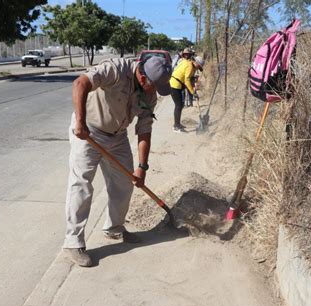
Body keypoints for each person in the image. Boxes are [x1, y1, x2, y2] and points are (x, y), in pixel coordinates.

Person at [63, 56, 172, 267]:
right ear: (143, 76)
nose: (154, 91)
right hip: (89, 131)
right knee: (81, 184)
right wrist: (80, 122)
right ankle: (73, 242)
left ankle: (114, 228)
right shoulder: (116, 69)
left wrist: (142, 167)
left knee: (124, 184)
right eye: (154, 85)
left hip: (118, 136)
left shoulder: (149, 96)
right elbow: (80, 83)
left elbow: (144, 130)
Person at [169, 55, 205, 132]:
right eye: (198, 66)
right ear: (196, 63)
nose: (197, 68)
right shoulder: (190, 67)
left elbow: (186, 76)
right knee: (178, 105)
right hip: (175, 85)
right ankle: (176, 126)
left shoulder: (187, 62)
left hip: (175, 83)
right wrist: (193, 92)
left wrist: (193, 79)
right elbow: (187, 80)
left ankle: (177, 124)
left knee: (180, 105)